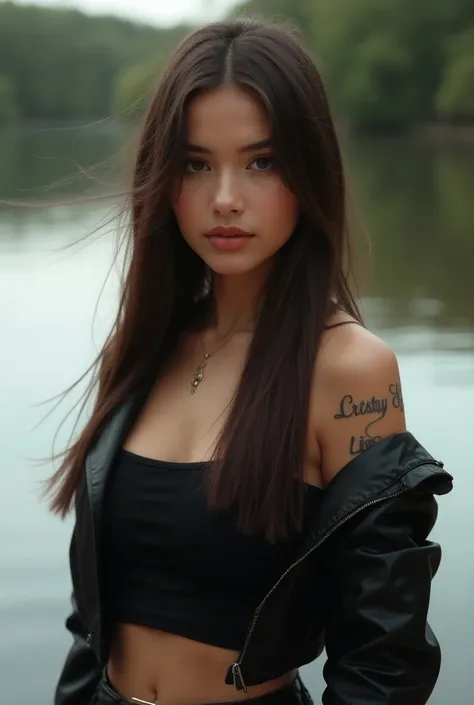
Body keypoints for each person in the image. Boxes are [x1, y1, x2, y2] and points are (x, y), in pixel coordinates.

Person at [47, 16, 453, 705]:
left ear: (309, 170)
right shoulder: (142, 345)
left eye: (262, 162)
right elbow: (90, 625)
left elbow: (385, 659)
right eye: (196, 163)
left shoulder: (349, 370)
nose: (225, 198)